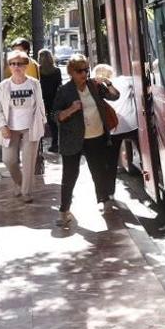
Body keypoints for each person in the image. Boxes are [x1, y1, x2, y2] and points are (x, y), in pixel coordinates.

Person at [53, 55, 119, 227]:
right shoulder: (64, 91)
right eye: (80, 70)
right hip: (73, 139)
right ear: (71, 72)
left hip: (95, 136)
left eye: (86, 70)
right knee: (70, 175)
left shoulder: (94, 86)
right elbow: (56, 116)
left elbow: (114, 97)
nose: (84, 73)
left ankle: (104, 201)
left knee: (98, 170)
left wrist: (107, 83)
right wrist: (71, 109)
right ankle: (64, 210)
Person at [0, 50, 46, 202]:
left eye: (20, 64)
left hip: (30, 127)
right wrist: (2, 126)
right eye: (13, 64)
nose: (16, 67)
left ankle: (26, 192)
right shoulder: (3, 86)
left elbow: (40, 104)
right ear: (9, 66)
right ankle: (19, 182)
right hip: (10, 129)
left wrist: (42, 122)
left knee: (29, 161)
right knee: (9, 159)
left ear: (26, 66)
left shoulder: (34, 84)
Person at [93, 63, 140, 177]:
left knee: (112, 160)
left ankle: (110, 191)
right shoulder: (125, 81)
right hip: (132, 125)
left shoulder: (97, 89)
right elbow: (140, 79)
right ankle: (146, 169)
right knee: (144, 152)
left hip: (114, 129)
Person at [37, 49, 63, 155]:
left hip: (42, 99)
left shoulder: (38, 70)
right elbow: (59, 85)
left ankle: (40, 146)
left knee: (41, 121)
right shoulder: (56, 70)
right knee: (54, 122)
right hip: (54, 98)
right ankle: (56, 143)